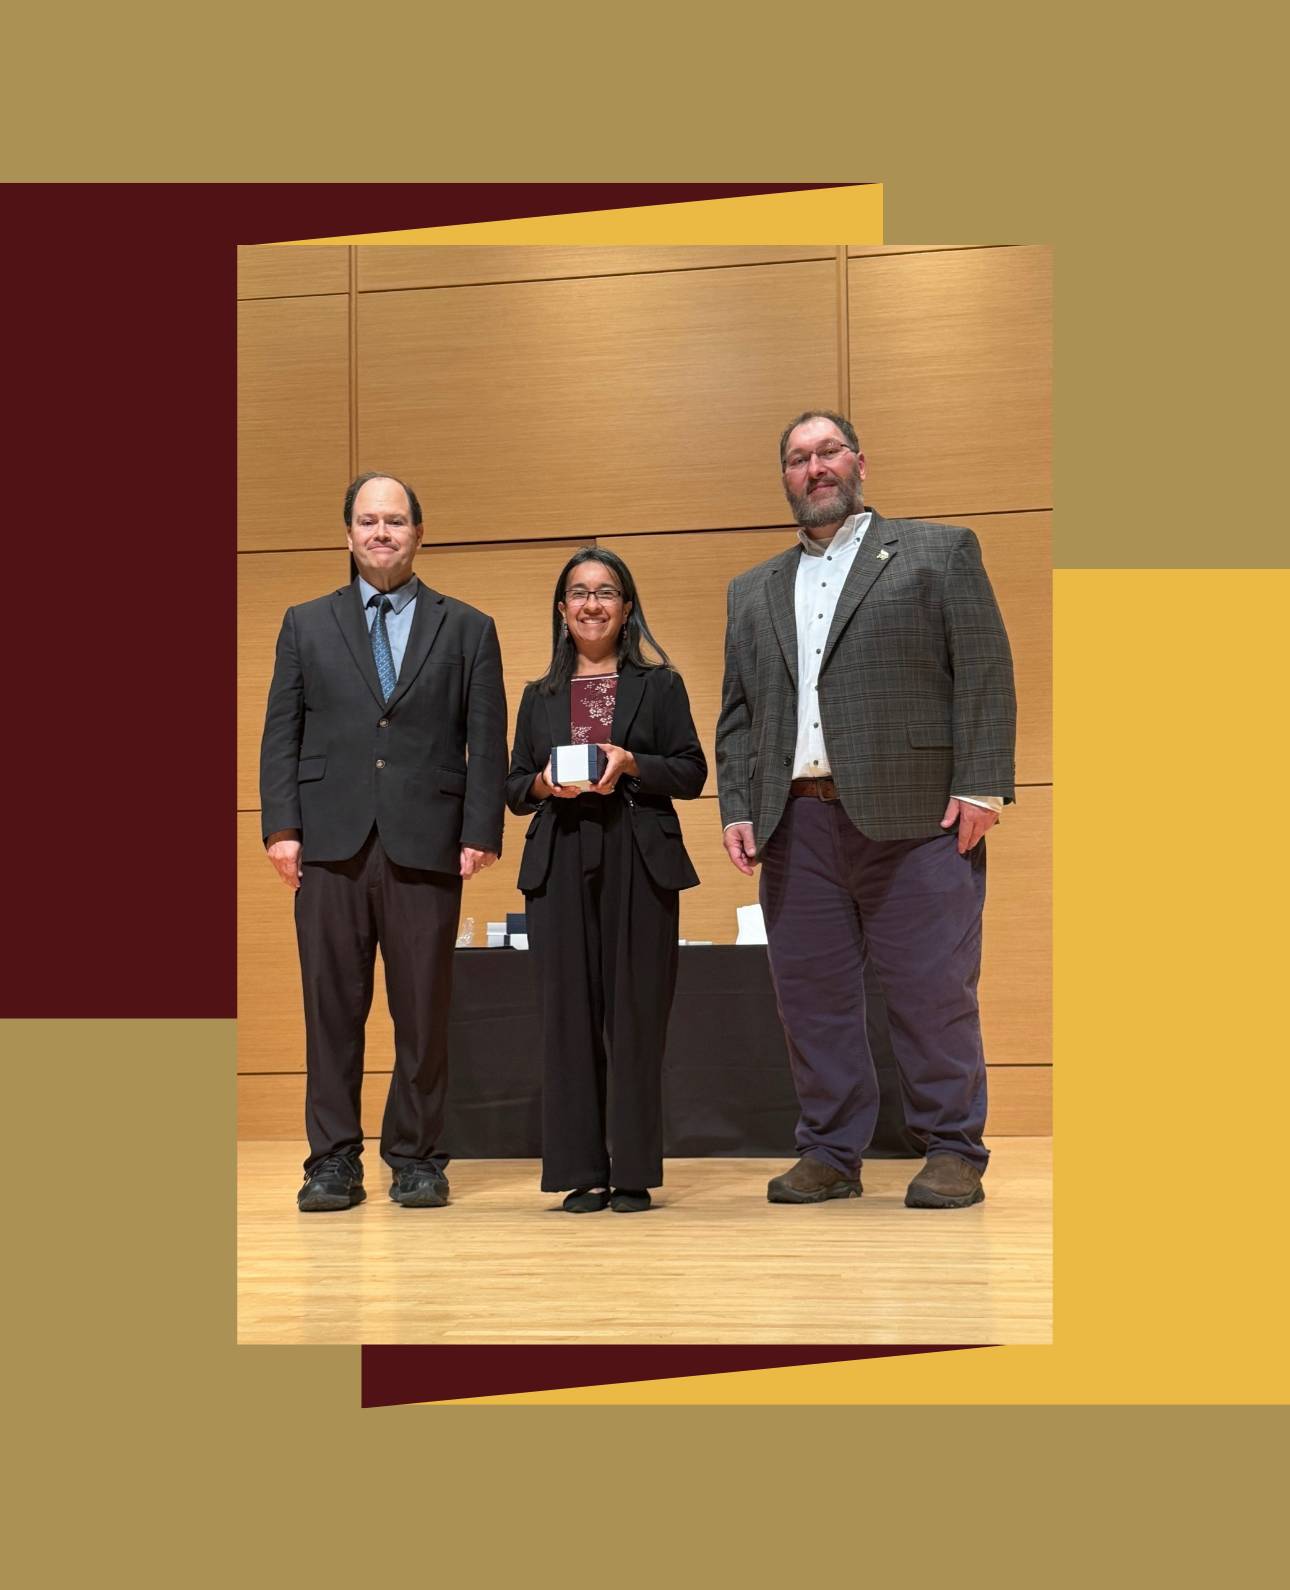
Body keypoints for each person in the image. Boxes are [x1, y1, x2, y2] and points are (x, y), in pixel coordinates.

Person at [716, 410, 1016, 1209]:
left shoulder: (936, 552)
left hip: (917, 818)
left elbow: (983, 668)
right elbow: (739, 713)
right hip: (795, 823)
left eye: (827, 453)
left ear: (858, 463)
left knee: (932, 989)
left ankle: (952, 1147)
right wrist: (738, 804)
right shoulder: (752, 591)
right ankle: (829, 1151)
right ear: (784, 477)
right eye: (797, 459)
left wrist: (982, 784)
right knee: (811, 998)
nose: (814, 469)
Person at [259, 472, 506, 1212]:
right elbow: (281, 733)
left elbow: (486, 742)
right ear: (348, 534)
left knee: (423, 1013)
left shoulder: (467, 627)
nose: (381, 533)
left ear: (418, 533)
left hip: (427, 842)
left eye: (395, 521)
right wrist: (281, 827)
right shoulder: (305, 622)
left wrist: (480, 829)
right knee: (331, 1010)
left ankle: (418, 1156)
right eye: (367, 521)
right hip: (329, 842)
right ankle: (332, 1162)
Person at [506, 548, 706, 1213]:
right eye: (579, 592)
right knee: (567, 1018)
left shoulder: (661, 684)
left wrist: (632, 762)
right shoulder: (538, 696)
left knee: (636, 1015)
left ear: (626, 607)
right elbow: (512, 787)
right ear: (562, 610)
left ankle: (633, 1171)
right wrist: (541, 783)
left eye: (607, 592)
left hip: (637, 851)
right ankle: (579, 1170)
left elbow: (691, 772)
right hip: (560, 853)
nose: (593, 603)